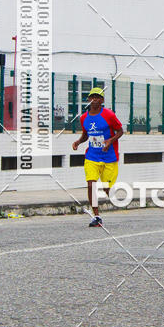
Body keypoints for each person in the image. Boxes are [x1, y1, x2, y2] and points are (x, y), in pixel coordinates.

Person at [72, 87, 123, 226]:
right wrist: (78, 142)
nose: (94, 99)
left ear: (102, 100)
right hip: (92, 156)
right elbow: (86, 135)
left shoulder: (109, 115)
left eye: (97, 97)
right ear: (89, 99)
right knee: (91, 184)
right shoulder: (84, 118)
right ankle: (96, 216)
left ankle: (107, 190)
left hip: (109, 157)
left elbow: (120, 131)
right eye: (92, 97)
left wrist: (110, 141)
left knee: (106, 189)